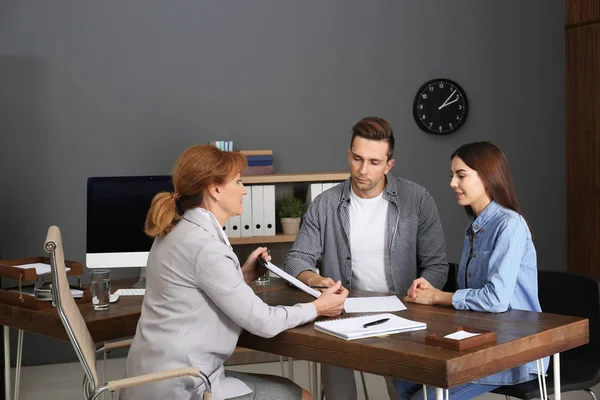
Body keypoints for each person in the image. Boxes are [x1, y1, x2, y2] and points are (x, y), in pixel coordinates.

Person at [119, 144, 348, 400]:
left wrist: (242, 275)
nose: (244, 190)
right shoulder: (208, 247)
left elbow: (198, 291)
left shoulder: (175, 233)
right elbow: (264, 321)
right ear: (215, 190)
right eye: (238, 182)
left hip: (149, 380)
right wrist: (319, 307)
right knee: (301, 397)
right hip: (182, 388)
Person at [283, 117, 449, 400]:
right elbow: (296, 260)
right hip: (342, 312)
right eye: (357, 159)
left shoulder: (417, 199)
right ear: (349, 155)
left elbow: (437, 265)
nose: (363, 170)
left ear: (389, 164)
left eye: (373, 162)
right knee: (338, 388)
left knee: (405, 392)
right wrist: (317, 279)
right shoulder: (326, 203)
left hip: (402, 310)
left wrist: (423, 289)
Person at [401, 141, 548, 400]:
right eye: (452, 176)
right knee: (403, 378)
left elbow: (495, 299)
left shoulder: (510, 226)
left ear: (488, 177)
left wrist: (436, 297)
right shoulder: (475, 228)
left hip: (514, 352)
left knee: (424, 397)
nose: (452, 184)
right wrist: (433, 291)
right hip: (478, 343)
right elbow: (471, 295)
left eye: (461, 175)